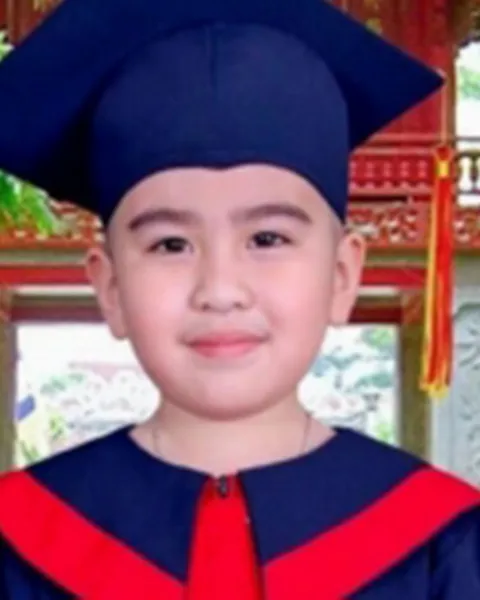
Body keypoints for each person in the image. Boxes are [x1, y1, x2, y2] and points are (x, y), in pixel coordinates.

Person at [0, 0, 479, 597]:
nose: (220, 290)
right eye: (171, 244)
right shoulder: (20, 545)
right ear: (111, 288)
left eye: (267, 239)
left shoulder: (442, 549)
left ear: (341, 275)